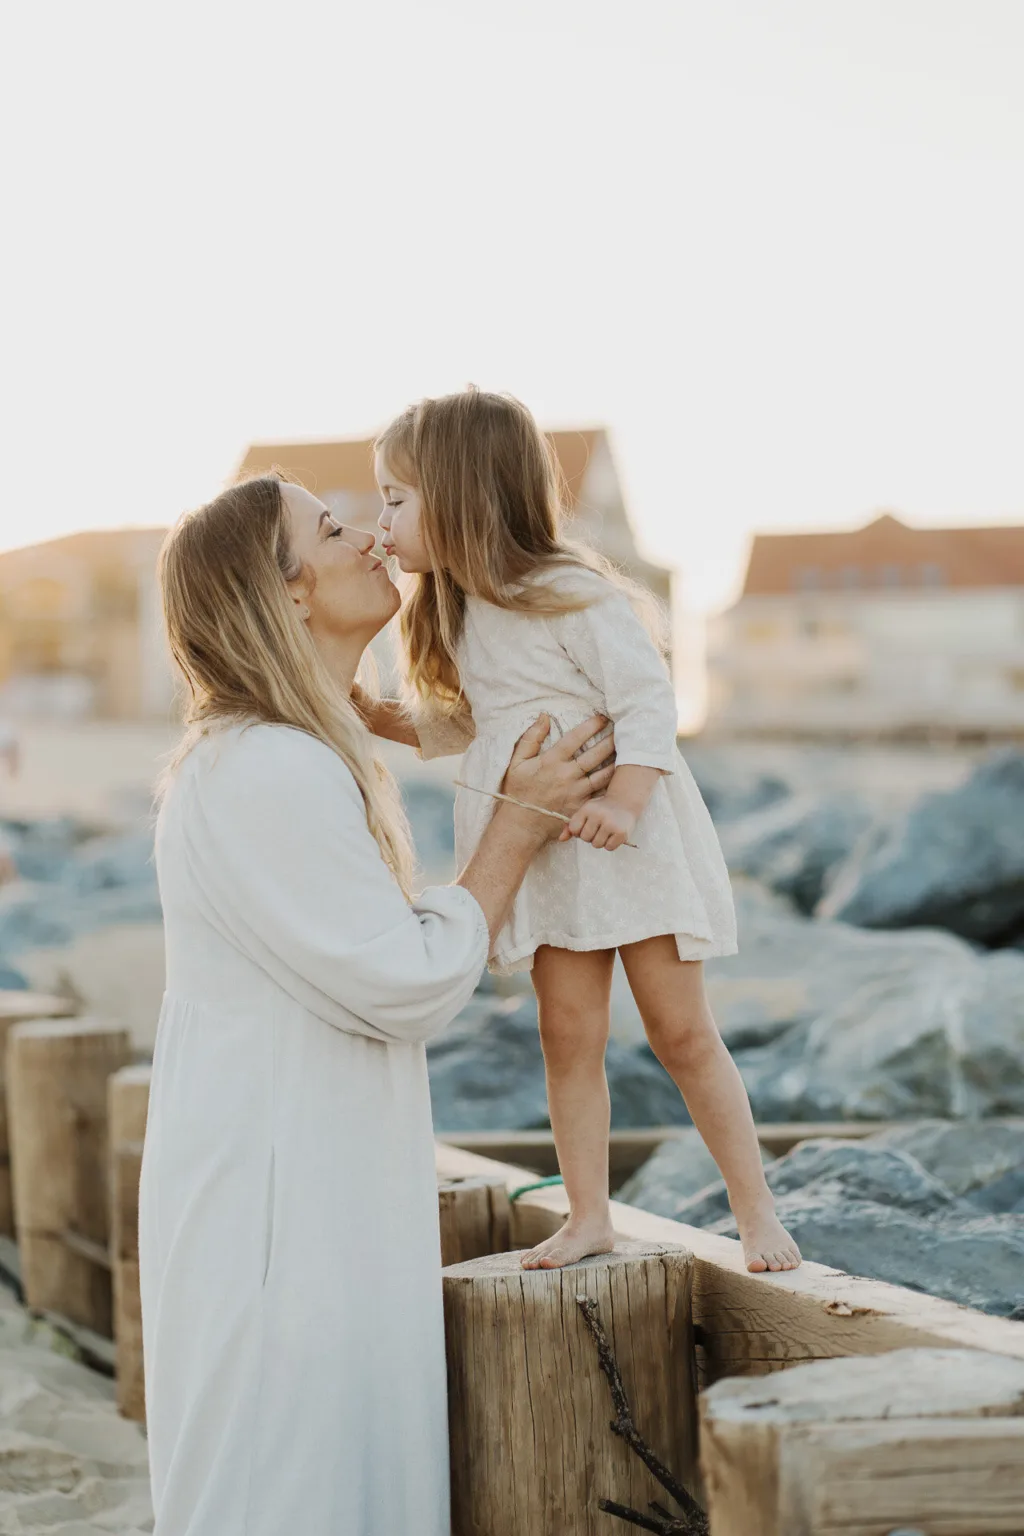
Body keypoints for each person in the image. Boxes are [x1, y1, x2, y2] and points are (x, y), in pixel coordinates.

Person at [139, 473, 615, 1536]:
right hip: (284, 1210)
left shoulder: (291, 757)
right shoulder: (266, 767)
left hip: (296, 1181)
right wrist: (515, 828)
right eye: (331, 527)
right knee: (291, 1476)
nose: (370, 536)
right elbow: (402, 981)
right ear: (288, 591)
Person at [367, 387, 801, 1276]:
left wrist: (626, 803)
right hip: (548, 858)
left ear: (461, 496)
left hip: (624, 842)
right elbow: (473, 726)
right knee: (567, 1036)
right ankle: (589, 1215)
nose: (382, 520)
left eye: (396, 499)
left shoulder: (570, 593)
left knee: (682, 1034)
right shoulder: (456, 609)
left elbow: (646, 702)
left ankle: (756, 1213)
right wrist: (384, 720)